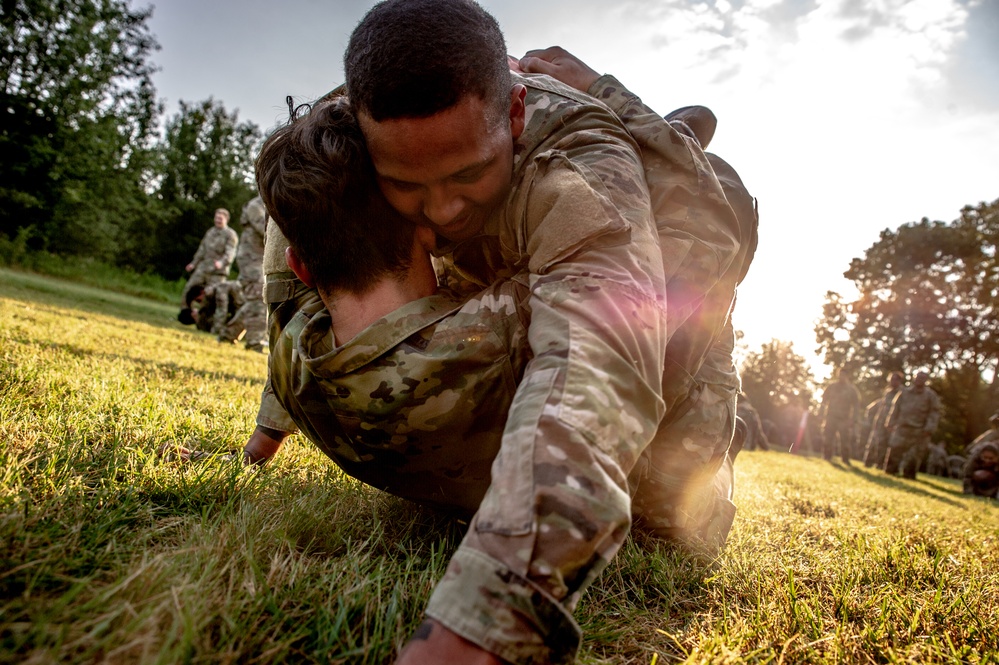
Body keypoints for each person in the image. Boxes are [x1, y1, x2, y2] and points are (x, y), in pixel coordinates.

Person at [339, 4, 748, 660]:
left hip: (684, 284)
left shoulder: (577, 160)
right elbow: (310, 276)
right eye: (407, 185)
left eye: (468, 172)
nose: (442, 208)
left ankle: (720, 441)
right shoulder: (345, 133)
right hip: (543, 262)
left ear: (516, 114)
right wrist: (275, 416)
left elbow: (595, 358)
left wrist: (488, 616)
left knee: (671, 517)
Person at [222, 196, 269, 352]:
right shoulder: (256, 206)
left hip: (261, 258)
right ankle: (255, 342)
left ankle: (228, 334)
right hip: (251, 259)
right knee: (259, 296)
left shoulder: (271, 203)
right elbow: (265, 230)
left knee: (254, 300)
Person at [178, 208, 238, 324]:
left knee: (211, 297)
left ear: (226, 219)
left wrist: (222, 262)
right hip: (204, 268)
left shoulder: (230, 235)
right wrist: (193, 264)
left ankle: (205, 321)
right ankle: (185, 315)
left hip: (218, 272)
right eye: (216, 218)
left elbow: (230, 253)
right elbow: (202, 250)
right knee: (189, 290)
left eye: (220, 218)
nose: (218, 220)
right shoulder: (210, 232)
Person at [884, 370, 941, 479]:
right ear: (914, 378)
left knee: (914, 455)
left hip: (919, 430)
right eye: (918, 377)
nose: (919, 380)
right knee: (894, 449)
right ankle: (890, 471)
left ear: (926, 381)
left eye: (922, 378)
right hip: (902, 427)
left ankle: (909, 475)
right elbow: (895, 408)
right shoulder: (904, 392)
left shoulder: (930, 396)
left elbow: (934, 413)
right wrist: (890, 422)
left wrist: (929, 428)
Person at [862, 371, 905, 467]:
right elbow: (881, 404)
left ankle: (882, 465)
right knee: (874, 443)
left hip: (892, 425)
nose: (893, 381)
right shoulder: (887, 392)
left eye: (895, 379)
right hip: (879, 423)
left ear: (899, 381)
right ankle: (868, 463)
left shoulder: (903, 393)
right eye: (891, 379)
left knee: (887, 446)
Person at [818, 368, 861, 463]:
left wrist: (854, 420)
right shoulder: (831, 387)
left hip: (844, 419)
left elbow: (856, 406)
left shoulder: (852, 390)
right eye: (840, 374)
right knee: (828, 438)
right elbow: (823, 401)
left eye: (844, 375)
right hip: (831, 417)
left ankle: (845, 460)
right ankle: (827, 457)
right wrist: (820, 414)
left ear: (847, 376)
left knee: (845, 441)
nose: (842, 377)